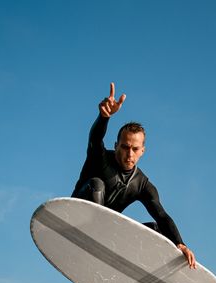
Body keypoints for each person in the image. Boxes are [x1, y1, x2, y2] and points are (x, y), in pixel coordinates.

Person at [72, 83, 197, 269]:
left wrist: (180, 243)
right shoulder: (100, 158)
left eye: (135, 149)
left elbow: (161, 215)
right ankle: (94, 236)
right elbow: (95, 139)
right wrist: (104, 117)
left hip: (107, 230)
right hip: (78, 215)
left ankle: (146, 272)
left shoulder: (142, 184)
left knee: (158, 230)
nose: (129, 154)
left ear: (142, 151)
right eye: (125, 147)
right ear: (116, 146)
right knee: (96, 184)